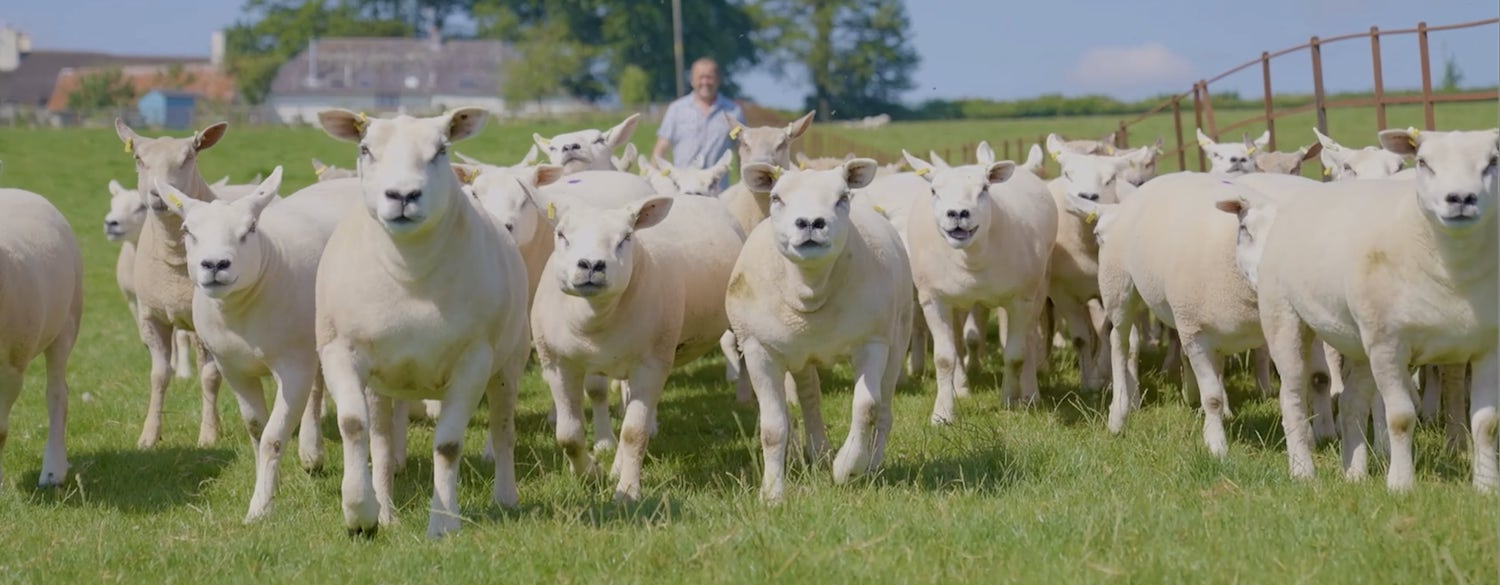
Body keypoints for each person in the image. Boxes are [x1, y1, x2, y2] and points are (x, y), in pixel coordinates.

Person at [653, 56, 745, 191]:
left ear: (718, 80)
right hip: (683, 190)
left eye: (710, 77)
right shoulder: (676, 109)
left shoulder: (733, 111)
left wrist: (744, 185)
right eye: (700, 77)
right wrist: (652, 183)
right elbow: (660, 149)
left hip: (717, 192)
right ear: (692, 80)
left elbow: (741, 150)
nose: (705, 82)